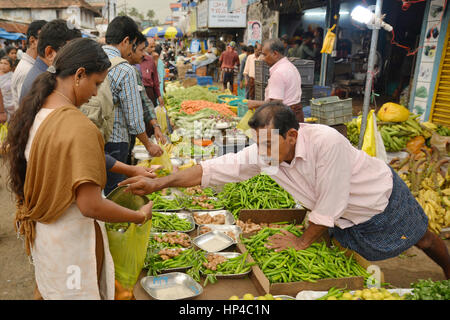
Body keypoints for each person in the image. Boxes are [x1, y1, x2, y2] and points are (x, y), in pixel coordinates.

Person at [119, 102, 450, 280]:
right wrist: (160, 182)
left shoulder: (327, 142)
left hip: (377, 196)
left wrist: (302, 240)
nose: (260, 151)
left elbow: (333, 199)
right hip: (342, 214)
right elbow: (215, 169)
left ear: (292, 135)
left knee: (421, 237)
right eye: (257, 143)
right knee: (348, 249)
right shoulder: (265, 152)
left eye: (266, 143)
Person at [2, 38, 154, 300]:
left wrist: (129, 171)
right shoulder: (78, 127)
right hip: (73, 245)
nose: (95, 93)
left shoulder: (36, 112)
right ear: (79, 75)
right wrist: (138, 216)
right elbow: (90, 205)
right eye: (96, 84)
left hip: (47, 238)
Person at [103, 16, 163, 195]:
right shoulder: (124, 69)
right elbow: (134, 118)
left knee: (99, 189)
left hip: (95, 140)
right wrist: (148, 145)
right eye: (135, 46)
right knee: (114, 192)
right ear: (126, 41)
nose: (134, 52)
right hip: (116, 141)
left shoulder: (92, 58)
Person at [126, 33, 166, 165]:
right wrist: (148, 145)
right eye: (141, 49)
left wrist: (155, 126)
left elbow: (144, 99)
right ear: (129, 47)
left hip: (149, 95)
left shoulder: (137, 69)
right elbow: (134, 116)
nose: (144, 53)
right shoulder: (126, 71)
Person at [19, 19, 82, 104]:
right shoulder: (44, 85)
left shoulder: (46, 75)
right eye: (70, 53)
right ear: (50, 53)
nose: (75, 59)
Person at [247, 39, 304, 122]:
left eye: (265, 55)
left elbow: (276, 103)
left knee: (269, 135)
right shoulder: (290, 66)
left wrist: (254, 103)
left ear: (275, 54)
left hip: (283, 118)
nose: (263, 59)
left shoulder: (278, 73)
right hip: (293, 115)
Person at [11, 20, 47, 111]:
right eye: (46, 40)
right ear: (33, 41)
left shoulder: (33, 66)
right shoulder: (27, 70)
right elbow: (26, 109)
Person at [141, 37, 164, 110]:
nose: (154, 49)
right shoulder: (134, 61)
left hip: (151, 94)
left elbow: (155, 79)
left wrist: (159, 96)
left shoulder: (150, 59)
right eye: (151, 47)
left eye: (154, 46)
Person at [0, 56, 14, 122]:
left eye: (5, 64)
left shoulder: (13, 76)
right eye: (1, 63)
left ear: (10, 66)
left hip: (10, 106)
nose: (2, 65)